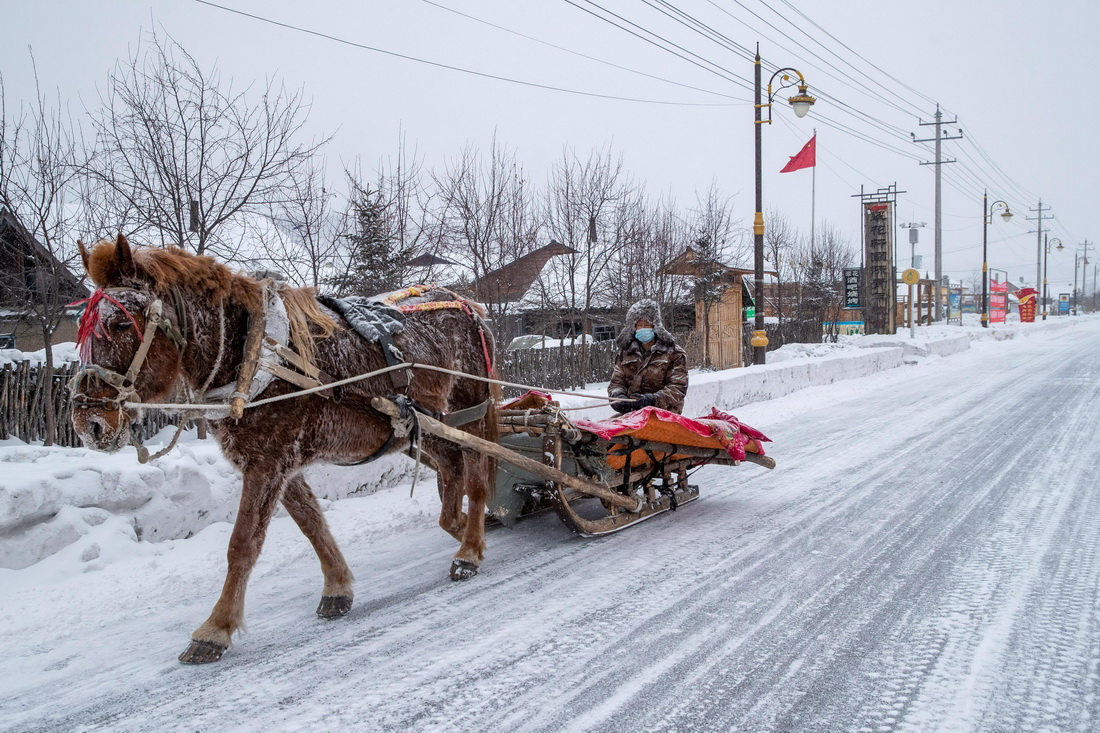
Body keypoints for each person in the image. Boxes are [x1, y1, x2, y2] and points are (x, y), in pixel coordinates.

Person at [608, 299, 689, 414]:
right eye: (639, 325)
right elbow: (616, 383)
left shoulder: (674, 353)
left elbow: (677, 388)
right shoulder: (625, 353)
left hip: (664, 415)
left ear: (655, 326)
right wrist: (618, 397)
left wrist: (651, 400)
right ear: (634, 327)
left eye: (647, 324)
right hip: (632, 415)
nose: (643, 328)